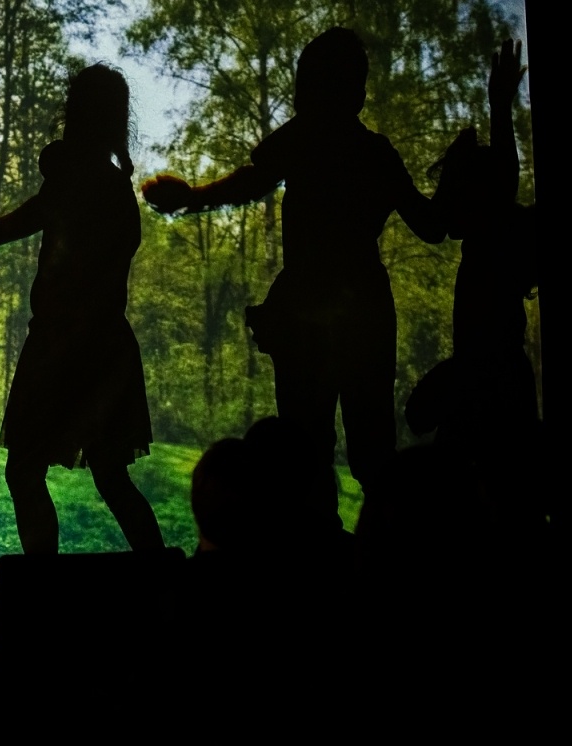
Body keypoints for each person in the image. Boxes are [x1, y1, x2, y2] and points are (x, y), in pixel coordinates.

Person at [141, 27, 445, 491]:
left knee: (306, 454)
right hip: (363, 310)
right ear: (359, 93)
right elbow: (431, 224)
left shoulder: (305, 138)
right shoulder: (374, 153)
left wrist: (194, 197)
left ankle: (316, 534)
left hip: (306, 308)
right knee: (369, 450)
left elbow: (254, 178)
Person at [0, 64, 164, 555]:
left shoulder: (76, 181)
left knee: (26, 471)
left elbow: (42, 213)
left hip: (63, 347)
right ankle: (162, 579)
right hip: (102, 347)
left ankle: (44, 586)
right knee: (110, 477)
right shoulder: (109, 186)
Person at [405, 39, 539, 464]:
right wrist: (499, 105)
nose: (441, 202)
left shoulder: (488, 252)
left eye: (448, 192)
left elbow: (502, 181)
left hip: (487, 396)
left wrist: (500, 107)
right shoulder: (497, 241)